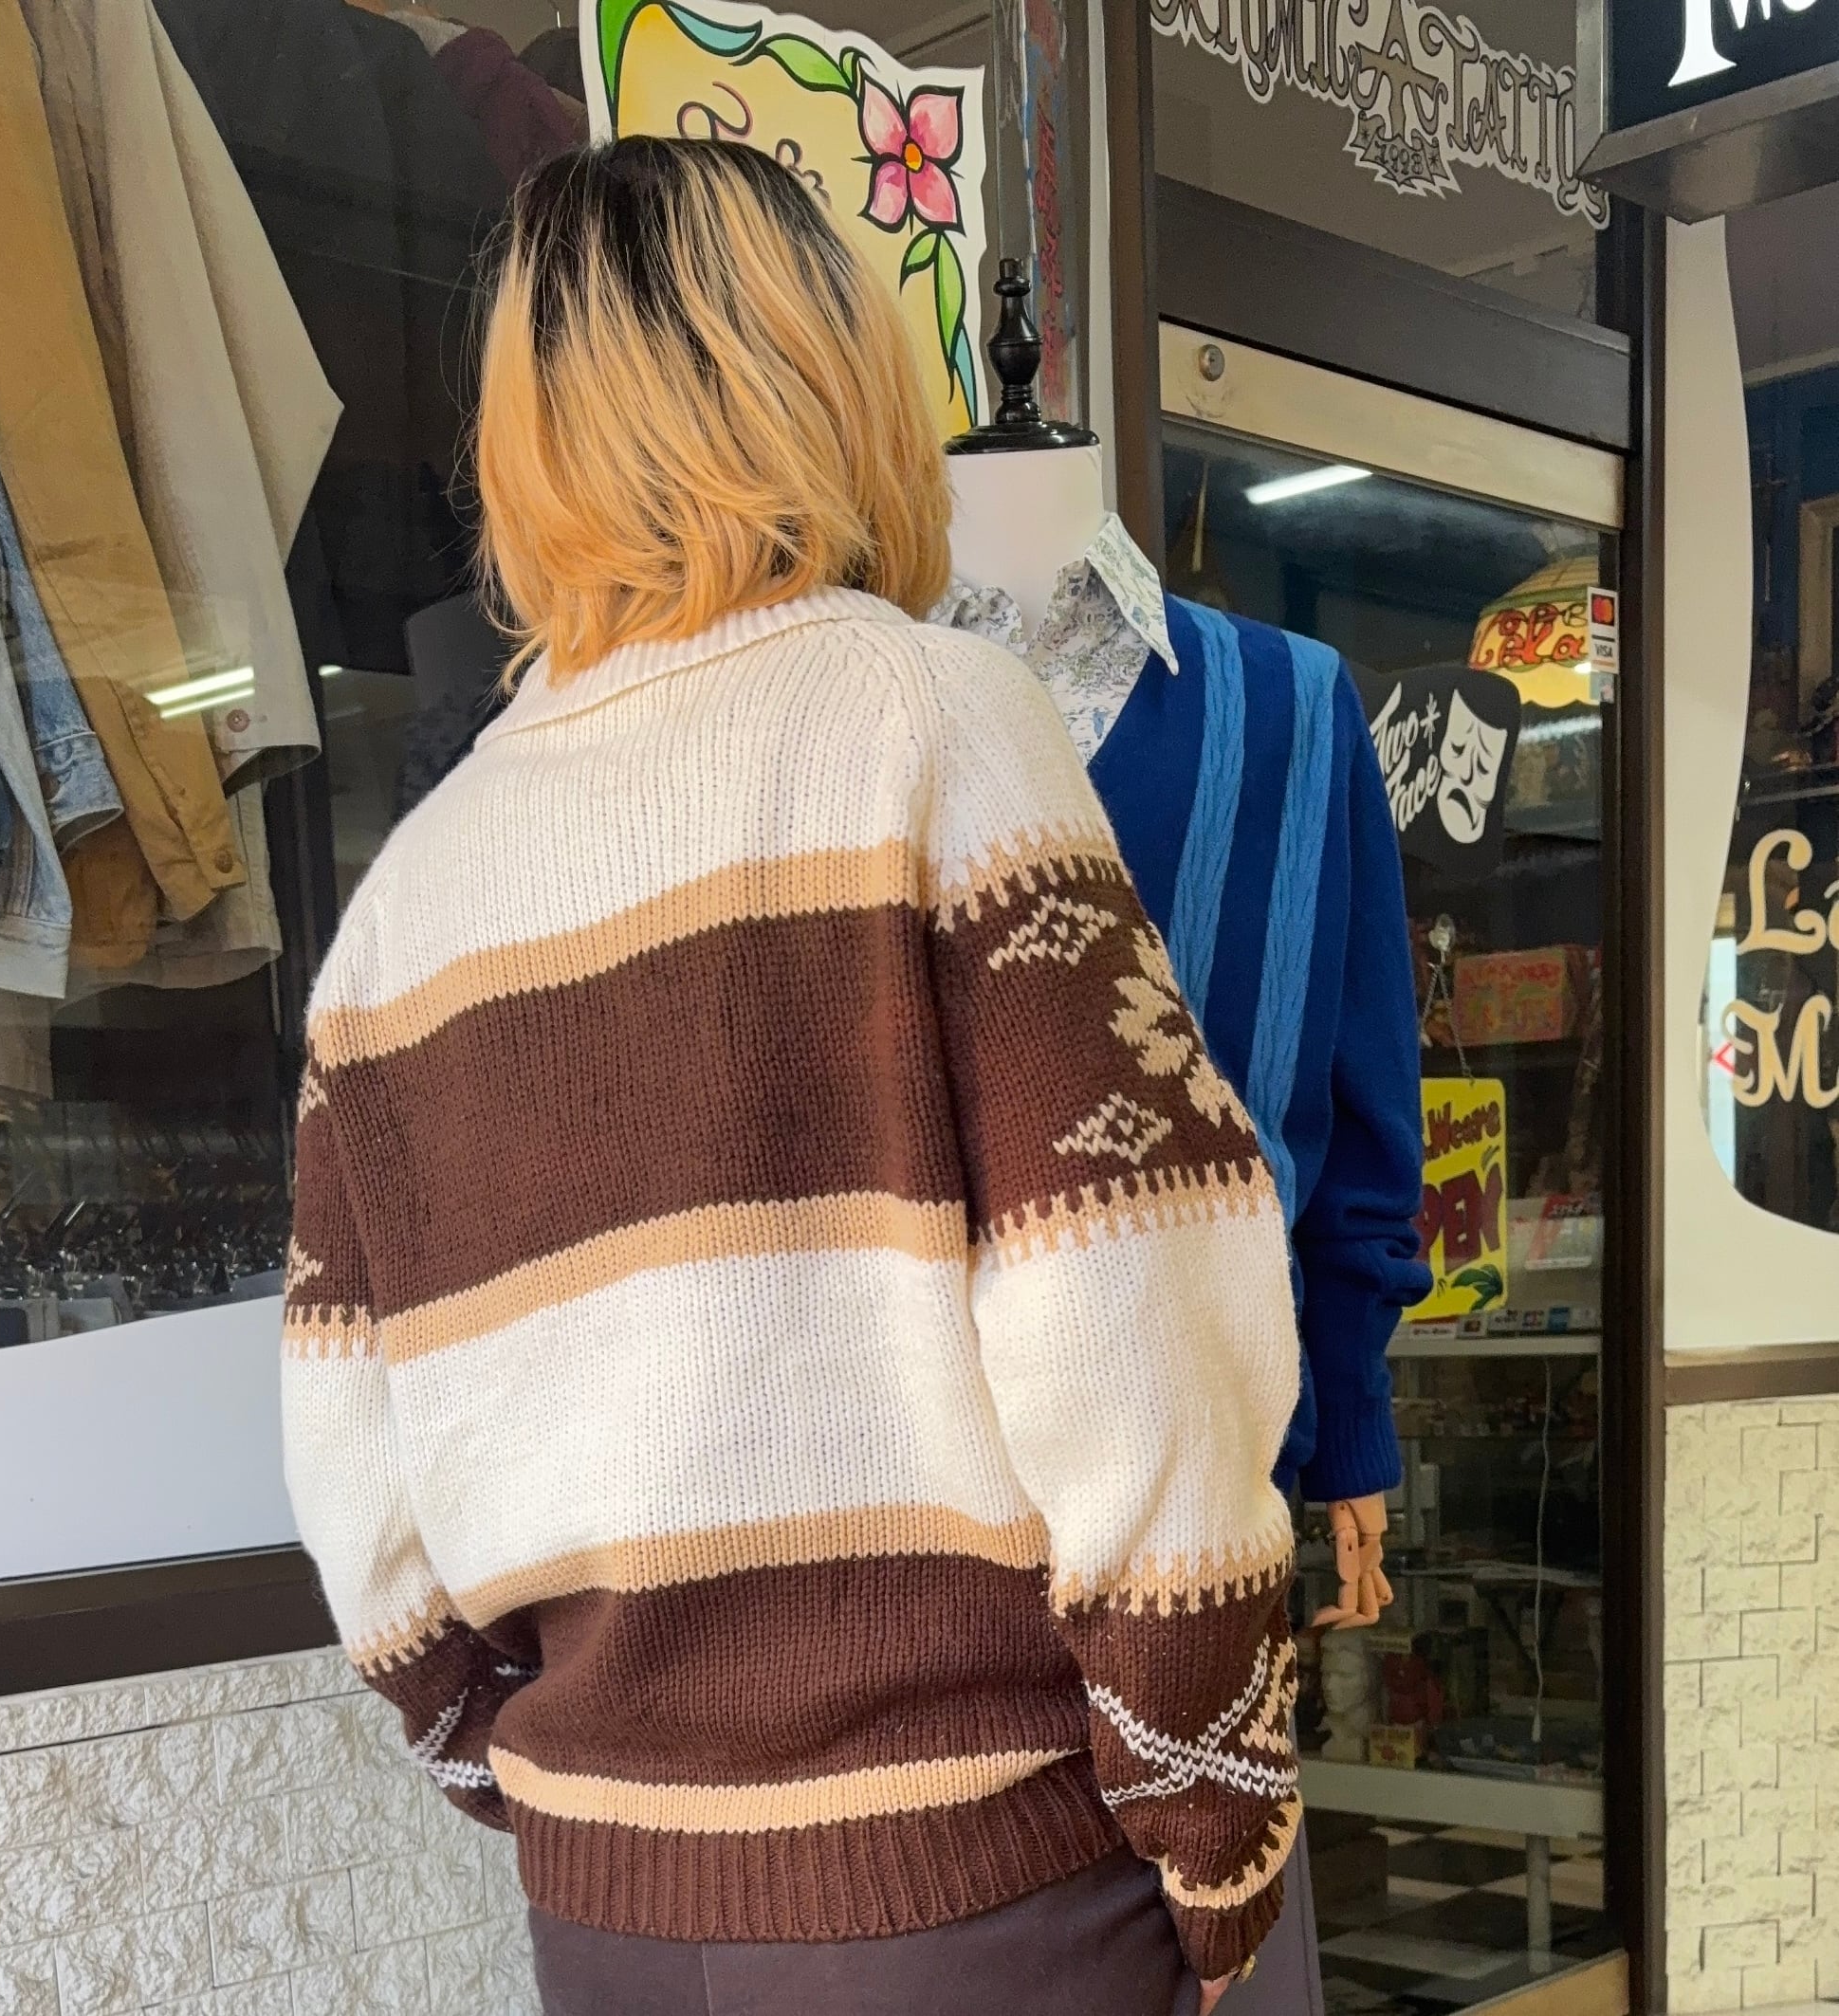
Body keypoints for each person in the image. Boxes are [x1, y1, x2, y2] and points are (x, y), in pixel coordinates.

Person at [281, 136, 1304, 2015]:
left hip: (610, 1921)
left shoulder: (405, 905)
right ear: (830, 379)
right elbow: (1127, 1317)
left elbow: (362, 1490)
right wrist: (1215, 1822)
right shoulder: (931, 726)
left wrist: (547, 1780)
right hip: (974, 1890)